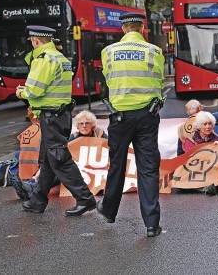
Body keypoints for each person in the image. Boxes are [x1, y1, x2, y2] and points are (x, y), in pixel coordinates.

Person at [15, 25, 96, 216]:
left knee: (59, 159)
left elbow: (34, 90)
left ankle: (85, 199)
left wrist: (21, 92)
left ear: (36, 41)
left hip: (51, 116)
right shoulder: (61, 58)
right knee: (50, 160)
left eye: (32, 42)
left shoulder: (44, 60)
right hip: (62, 115)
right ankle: (37, 200)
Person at [98, 13, 165, 237]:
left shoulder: (108, 52)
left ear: (124, 29)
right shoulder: (155, 52)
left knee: (117, 165)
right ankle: (152, 224)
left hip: (120, 117)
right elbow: (159, 80)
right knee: (147, 168)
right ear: (142, 29)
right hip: (147, 115)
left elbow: (108, 79)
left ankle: (109, 211)